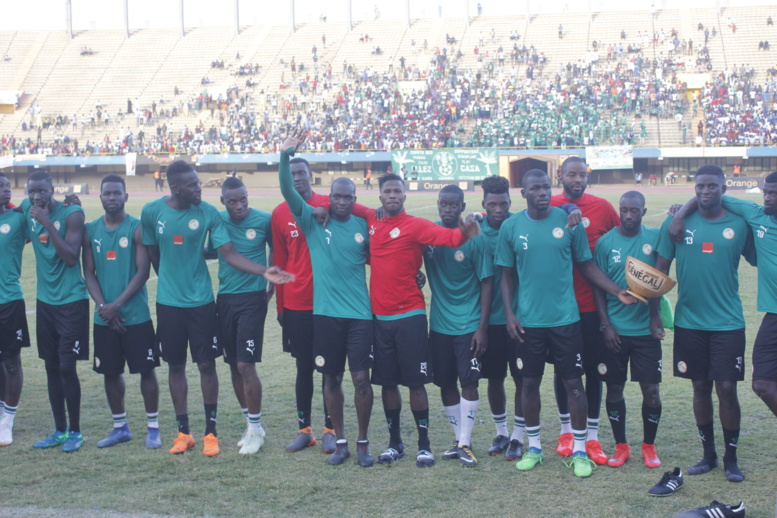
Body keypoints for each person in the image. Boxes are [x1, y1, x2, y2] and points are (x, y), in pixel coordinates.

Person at [141, 160, 293, 457]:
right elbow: (153, 251)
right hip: (179, 303)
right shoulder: (152, 211)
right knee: (180, 366)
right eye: (194, 185)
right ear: (176, 188)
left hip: (206, 302)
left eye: (200, 182)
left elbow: (229, 252)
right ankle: (184, 432)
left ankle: (216, 433)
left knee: (216, 365)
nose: (200, 188)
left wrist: (264, 273)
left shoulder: (209, 213)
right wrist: (171, 278)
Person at [495, 169, 636, 478]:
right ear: (524, 193)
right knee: (529, 383)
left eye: (546, 187)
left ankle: (581, 450)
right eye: (535, 188)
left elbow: (586, 265)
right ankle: (534, 447)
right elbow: (505, 274)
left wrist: (617, 291)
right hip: (528, 322)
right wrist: (509, 313)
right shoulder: (511, 227)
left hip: (566, 320)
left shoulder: (569, 223)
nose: (542, 192)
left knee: (574, 384)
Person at [348, 173, 481, 468]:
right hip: (379, 318)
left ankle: (424, 445)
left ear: (405, 196)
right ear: (380, 196)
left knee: (416, 383)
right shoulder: (371, 219)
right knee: (387, 384)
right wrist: (320, 207)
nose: (392, 195)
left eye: (397, 191)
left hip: (410, 315)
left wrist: (468, 227)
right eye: (387, 191)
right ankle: (395, 443)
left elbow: (451, 238)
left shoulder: (417, 225)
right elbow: (345, 205)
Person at [655, 164, 756, 483]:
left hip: (728, 321)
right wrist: (653, 313)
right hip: (689, 322)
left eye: (712, 186)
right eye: (699, 186)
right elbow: (659, 271)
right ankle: (708, 455)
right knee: (699, 386)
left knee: (726, 388)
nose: (705, 191)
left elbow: (761, 257)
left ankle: (731, 457)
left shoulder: (739, 224)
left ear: (724, 189)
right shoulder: (676, 224)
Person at [279, 131, 374, 467]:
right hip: (325, 316)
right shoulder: (313, 221)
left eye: (348, 197)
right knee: (330, 378)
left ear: (354, 198)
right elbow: (289, 192)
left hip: (361, 316)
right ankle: (342, 442)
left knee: (362, 380)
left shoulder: (365, 225)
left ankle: (363, 443)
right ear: (329, 197)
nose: (342, 202)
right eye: (337, 197)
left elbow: (384, 259)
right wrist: (284, 156)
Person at [82, 174, 161, 449]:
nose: (112, 198)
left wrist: (117, 305)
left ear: (126, 196)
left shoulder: (137, 228)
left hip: (135, 315)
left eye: (117, 193)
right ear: (100, 196)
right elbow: (88, 273)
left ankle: (153, 427)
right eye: (107, 193)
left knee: (146, 371)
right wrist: (104, 307)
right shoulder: (90, 230)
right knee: (110, 372)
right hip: (104, 317)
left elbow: (143, 271)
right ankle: (120, 427)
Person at [550, 157, 620, 465]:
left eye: (581, 174)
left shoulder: (603, 207)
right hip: (559, 307)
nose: (577, 179)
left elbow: (624, 237)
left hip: (593, 306)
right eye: (571, 174)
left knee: (593, 370)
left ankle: (591, 437)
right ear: (560, 176)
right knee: (562, 370)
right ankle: (566, 430)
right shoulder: (548, 204)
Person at [592, 191, 665, 468]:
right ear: (619, 211)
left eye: (635, 210)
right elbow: (598, 286)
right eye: (624, 210)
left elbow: (660, 279)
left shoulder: (654, 238)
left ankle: (649, 446)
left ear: (644, 212)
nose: (629, 215)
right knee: (614, 388)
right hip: (615, 332)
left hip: (645, 332)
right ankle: (621, 446)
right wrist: (606, 325)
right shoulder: (605, 242)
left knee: (651, 391)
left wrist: (655, 315)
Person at [271, 152, 336, 455]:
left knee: (329, 369)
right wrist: (281, 307)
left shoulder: (330, 203)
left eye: (301, 173)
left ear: (310, 175)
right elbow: (280, 261)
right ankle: (304, 430)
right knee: (303, 368)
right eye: (292, 173)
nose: (297, 178)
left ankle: (330, 429)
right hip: (296, 303)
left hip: (328, 303)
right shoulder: (279, 213)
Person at [425, 186, 493, 467]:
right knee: (445, 381)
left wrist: (482, 327)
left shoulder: (477, 239)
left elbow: (487, 281)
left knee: (469, 381)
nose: (448, 208)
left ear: (463, 205)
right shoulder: (429, 237)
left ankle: (465, 442)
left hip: (468, 324)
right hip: (440, 324)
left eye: (454, 204)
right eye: (444, 203)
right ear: (438, 205)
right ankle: (458, 440)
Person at [23, 171, 90, 453]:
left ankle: (75, 431)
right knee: (51, 366)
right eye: (31, 192)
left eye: (41, 191)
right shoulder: (27, 210)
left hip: (72, 302)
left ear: (52, 189)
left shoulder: (72, 213)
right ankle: (59, 430)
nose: (36, 197)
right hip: (45, 303)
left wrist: (48, 223)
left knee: (66, 366)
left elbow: (71, 257)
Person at [211, 177, 273, 455]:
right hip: (225, 299)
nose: (239, 206)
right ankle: (251, 425)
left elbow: (277, 251)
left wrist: (271, 285)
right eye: (233, 201)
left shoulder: (263, 220)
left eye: (243, 199)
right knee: (234, 365)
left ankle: (256, 430)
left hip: (252, 300)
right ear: (222, 201)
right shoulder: (217, 220)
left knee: (247, 365)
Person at [477, 176, 525, 460]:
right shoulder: (475, 229)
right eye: (492, 204)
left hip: (519, 318)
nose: (498, 209)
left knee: (522, 379)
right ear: (483, 204)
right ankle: (501, 433)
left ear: (510, 202)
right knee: (494, 379)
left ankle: (518, 437)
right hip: (488, 321)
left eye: (503, 203)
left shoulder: (519, 224)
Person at [0, 173, 30, 446]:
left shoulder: (18, 219)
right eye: (1, 187)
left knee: (11, 361)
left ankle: (7, 422)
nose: (7, 191)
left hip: (9, 301)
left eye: (8, 187)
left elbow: (45, 228)